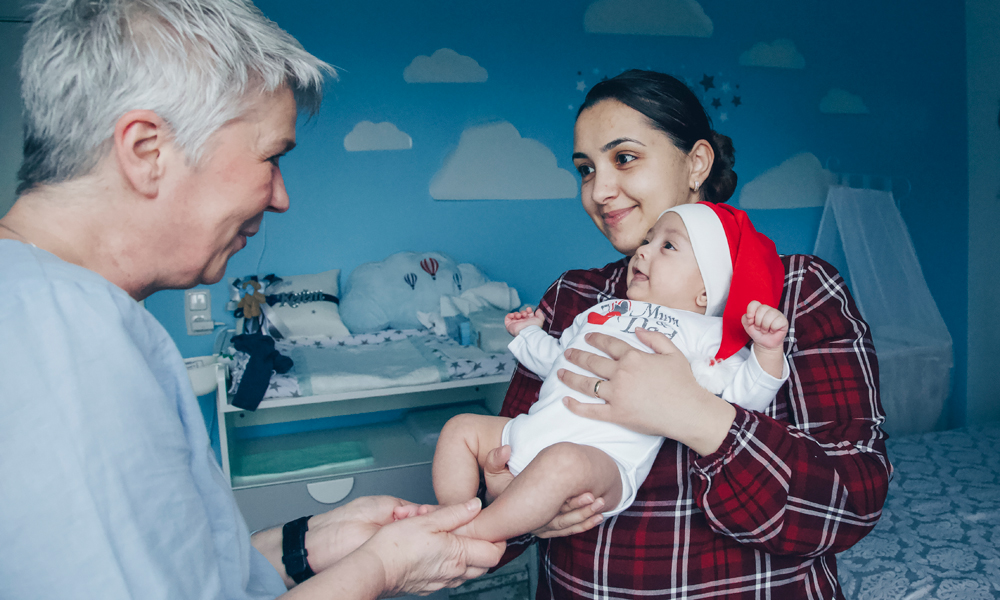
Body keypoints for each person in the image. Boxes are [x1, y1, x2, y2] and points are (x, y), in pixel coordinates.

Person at [0, 1, 503, 598]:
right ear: (146, 151)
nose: (281, 196)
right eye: (271, 158)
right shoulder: (66, 336)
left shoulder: (43, 306)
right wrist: (383, 570)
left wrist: (306, 543)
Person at [486, 70, 892, 599]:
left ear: (697, 162)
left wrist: (695, 414)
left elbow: (851, 503)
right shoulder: (573, 299)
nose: (599, 191)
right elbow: (508, 477)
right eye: (586, 169)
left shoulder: (798, 294)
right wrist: (505, 497)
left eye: (624, 158)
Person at [430, 202, 789, 543]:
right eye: (647, 240)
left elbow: (743, 398)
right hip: (529, 433)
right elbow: (559, 360)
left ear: (704, 291)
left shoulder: (703, 333)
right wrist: (528, 335)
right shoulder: (602, 310)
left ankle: (467, 539)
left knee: (563, 461)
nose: (643, 251)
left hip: (599, 459)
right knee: (460, 428)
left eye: (668, 246)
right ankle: (451, 516)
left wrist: (768, 351)